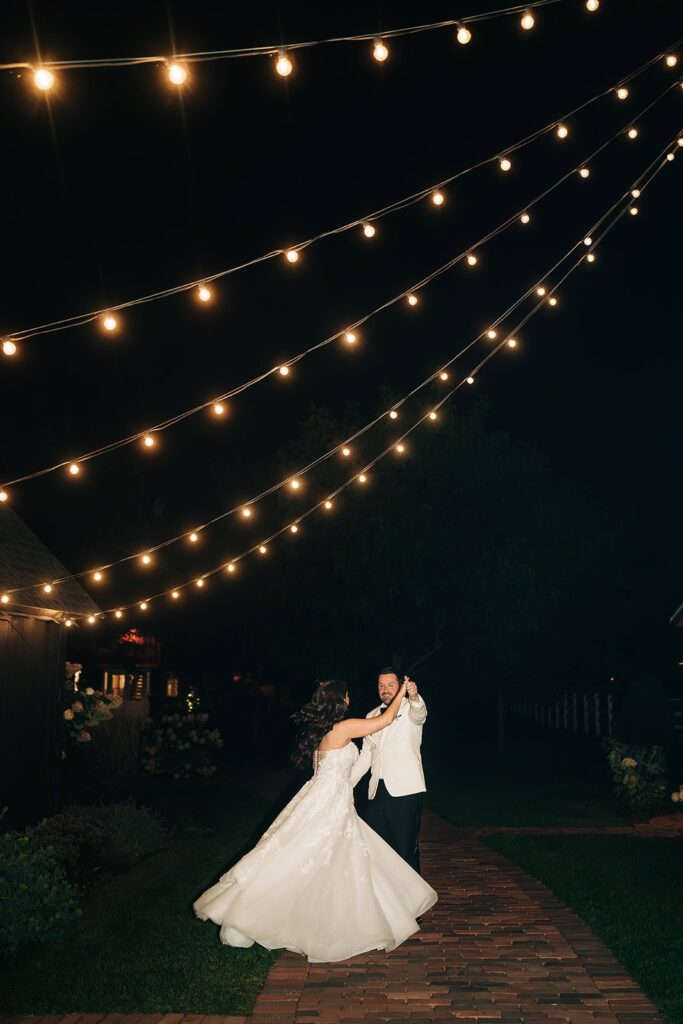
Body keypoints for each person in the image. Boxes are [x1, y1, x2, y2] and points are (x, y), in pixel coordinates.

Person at [193, 678, 437, 963]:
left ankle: (331, 916)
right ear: (340, 701)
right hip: (330, 802)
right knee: (314, 856)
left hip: (324, 797)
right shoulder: (343, 728)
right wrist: (401, 692)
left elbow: (330, 772)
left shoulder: (321, 732)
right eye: (347, 695)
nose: (349, 699)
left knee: (321, 856)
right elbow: (384, 720)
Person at [350, 667, 427, 872]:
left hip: (405, 790)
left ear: (400, 686)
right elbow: (366, 755)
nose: (385, 689)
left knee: (405, 849)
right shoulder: (371, 715)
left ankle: (411, 891)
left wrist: (414, 695)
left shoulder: (410, 707)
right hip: (377, 791)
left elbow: (420, 714)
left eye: (390, 685)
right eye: (381, 685)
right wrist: (346, 783)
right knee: (377, 848)